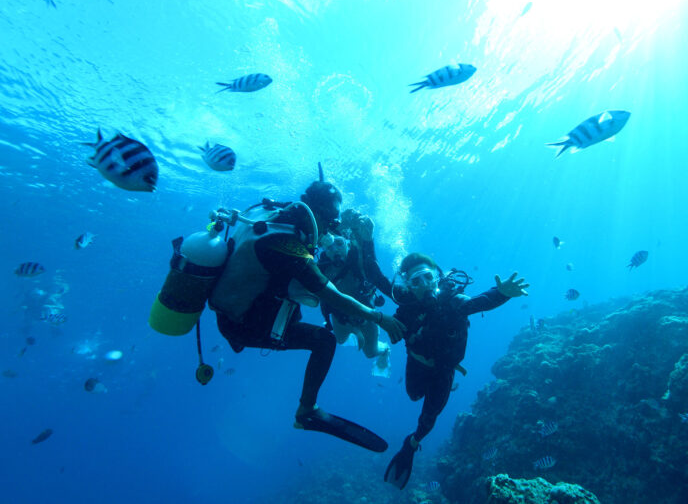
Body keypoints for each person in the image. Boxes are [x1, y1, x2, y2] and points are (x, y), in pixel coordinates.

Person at [207, 166, 405, 451]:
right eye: (329, 222)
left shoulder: (277, 218)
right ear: (319, 214)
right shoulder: (287, 244)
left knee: (318, 328)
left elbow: (367, 272)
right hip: (242, 322)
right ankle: (307, 412)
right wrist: (379, 317)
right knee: (324, 341)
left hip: (238, 312)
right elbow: (328, 294)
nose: (328, 232)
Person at [384, 253, 528, 488]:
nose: (423, 285)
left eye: (427, 277)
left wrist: (502, 293)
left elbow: (479, 301)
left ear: (437, 277)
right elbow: (394, 329)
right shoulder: (406, 310)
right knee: (413, 395)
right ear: (408, 286)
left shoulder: (453, 299)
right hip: (418, 365)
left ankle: (410, 445)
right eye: (415, 281)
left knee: (427, 421)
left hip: (444, 370)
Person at [318, 209, 393, 375]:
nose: (334, 250)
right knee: (340, 339)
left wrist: (367, 239)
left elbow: (372, 266)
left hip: (365, 318)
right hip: (340, 318)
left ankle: (385, 349)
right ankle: (354, 333)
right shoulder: (322, 268)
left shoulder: (358, 261)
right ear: (323, 248)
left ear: (346, 242)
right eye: (328, 246)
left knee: (370, 353)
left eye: (339, 243)